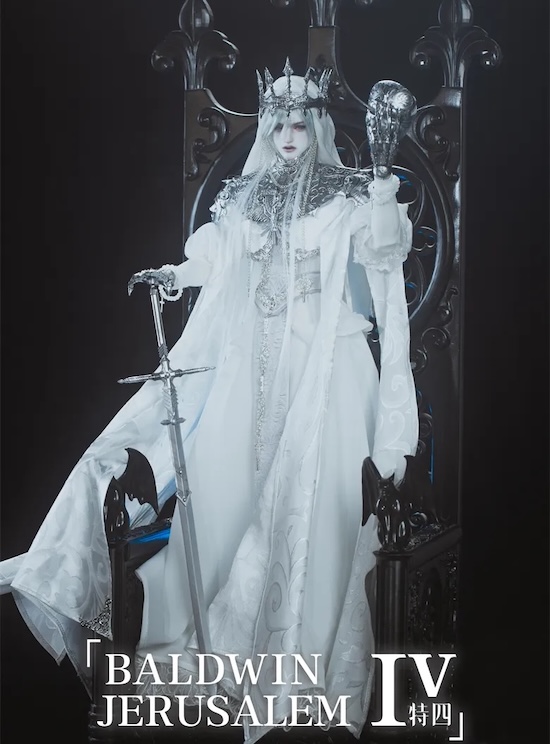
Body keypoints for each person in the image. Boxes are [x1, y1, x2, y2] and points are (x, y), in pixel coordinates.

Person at [0, 64, 418, 741]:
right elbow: (217, 261)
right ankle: (216, 648)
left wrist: (379, 193)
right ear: (267, 129)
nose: (289, 136)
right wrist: (174, 274)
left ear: (317, 125)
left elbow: (382, 250)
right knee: (229, 496)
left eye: (300, 123)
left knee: (310, 500)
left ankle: (300, 663)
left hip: (323, 366)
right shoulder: (243, 196)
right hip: (252, 366)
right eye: (278, 125)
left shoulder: (345, 192)